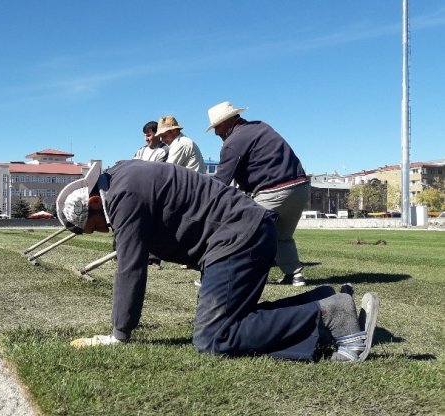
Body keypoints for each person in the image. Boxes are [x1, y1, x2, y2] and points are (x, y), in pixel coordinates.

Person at [56, 160, 379, 362]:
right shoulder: (124, 174)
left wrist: (119, 333)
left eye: (97, 226)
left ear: (96, 202)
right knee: (232, 320)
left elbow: (130, 268)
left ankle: (330, 316)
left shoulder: (124, 197)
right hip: (243, 234)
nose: (106, 231)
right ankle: (320, 300)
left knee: (215, 338)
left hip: (238, 240)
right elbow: (169, 214)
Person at [205, 101, 310, 286]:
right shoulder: (261, 126)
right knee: (281, 236)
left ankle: (226, 276)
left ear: (229, 121)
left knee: (242, 232)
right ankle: (295, 276)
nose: (216, 132)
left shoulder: (232, 143)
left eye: (218, 126)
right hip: (300, 189)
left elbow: (221, 181)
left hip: (273, 191)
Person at [133, 120, 168, 268]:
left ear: (157, 134)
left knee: (155, 225)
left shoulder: (164, 151)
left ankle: (153, 260)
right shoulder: (141, 150)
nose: (147, 139)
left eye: (149, 135)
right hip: (139, 190)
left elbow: (156, 170)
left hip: (156, 191)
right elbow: (133, 166)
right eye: (145, 136)